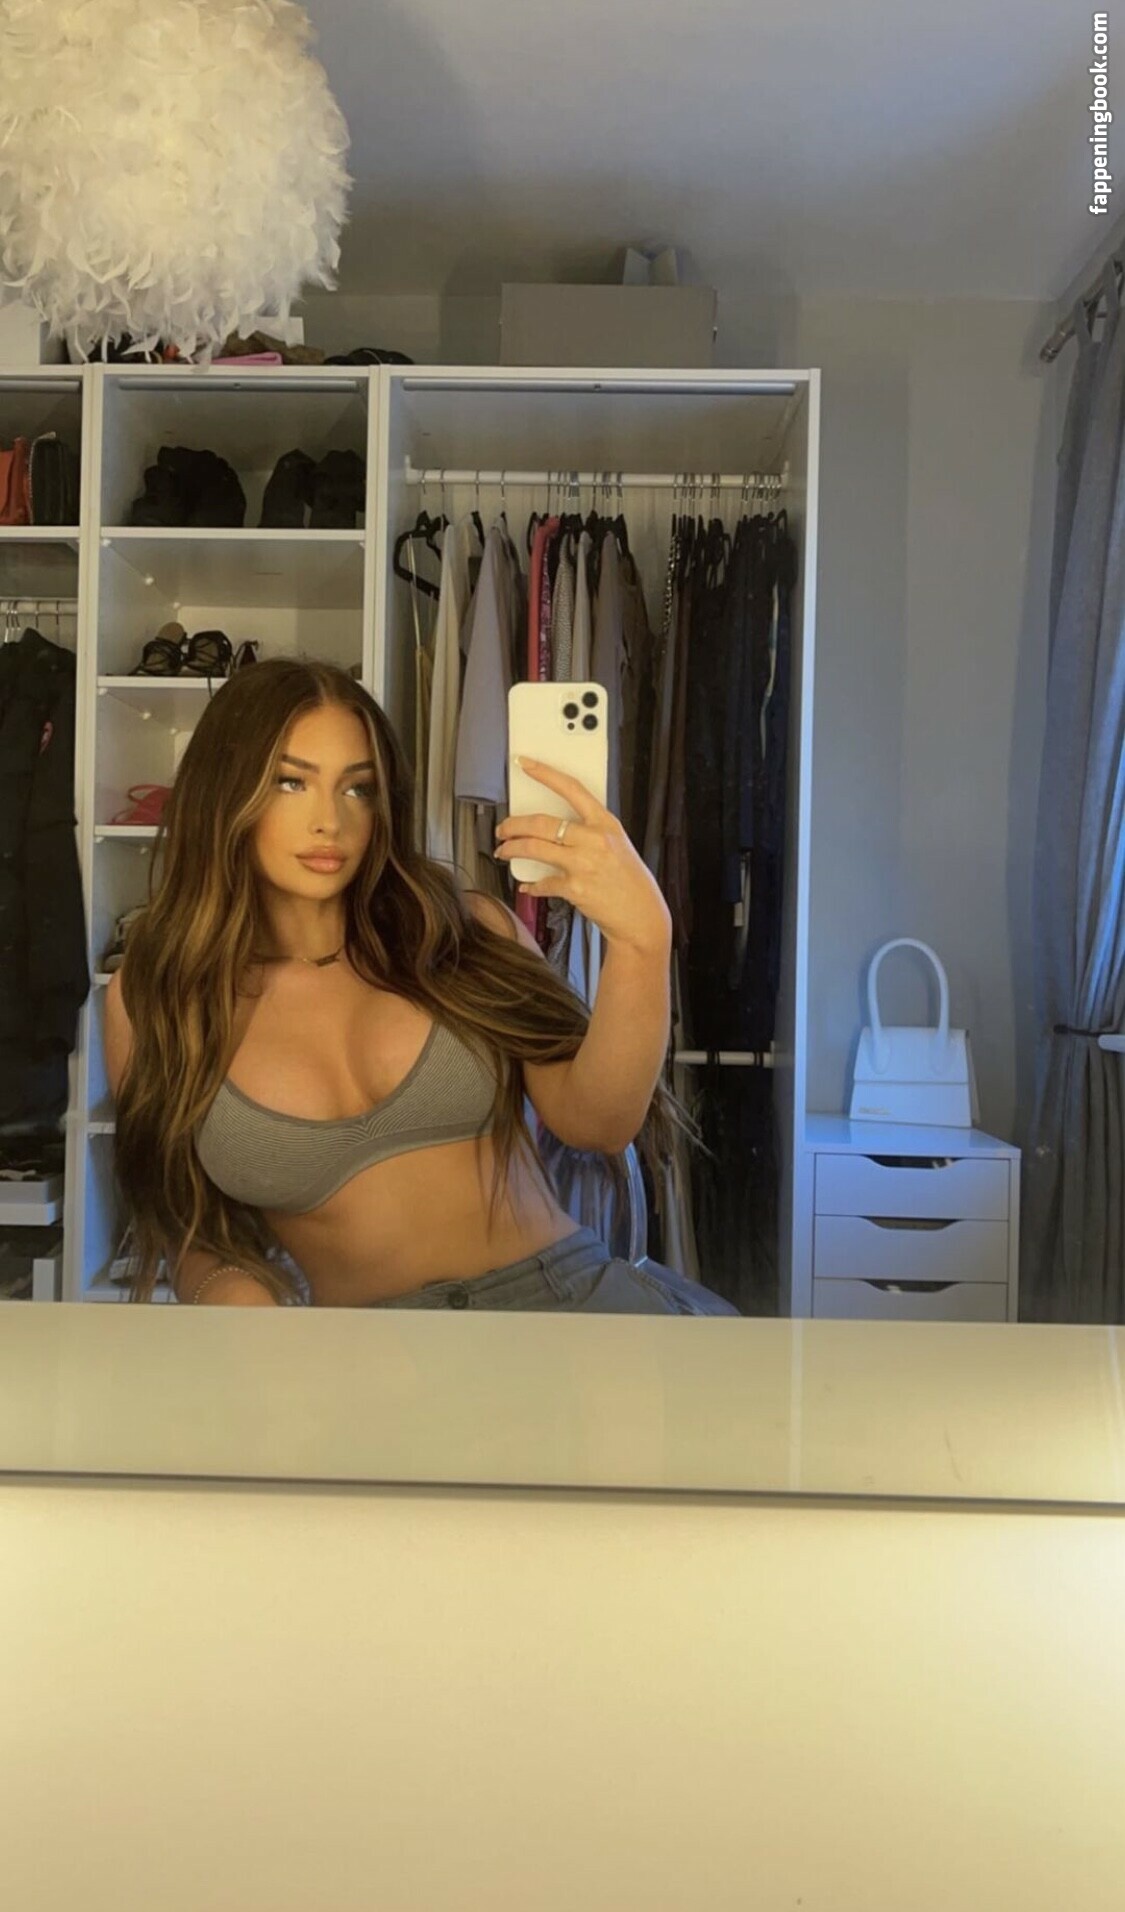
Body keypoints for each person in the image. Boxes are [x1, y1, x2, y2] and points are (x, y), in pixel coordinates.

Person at [103, 657, 737, 1313]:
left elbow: (599, 1124)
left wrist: (642, 941)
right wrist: (231, 1295)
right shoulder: (154, 1001)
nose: (330, 821)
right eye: (291, 782)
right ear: (224, 792)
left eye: (358, 789)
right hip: (368, 1352)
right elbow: (183, 1222)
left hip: (569, 1306)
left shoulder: (463, 933)